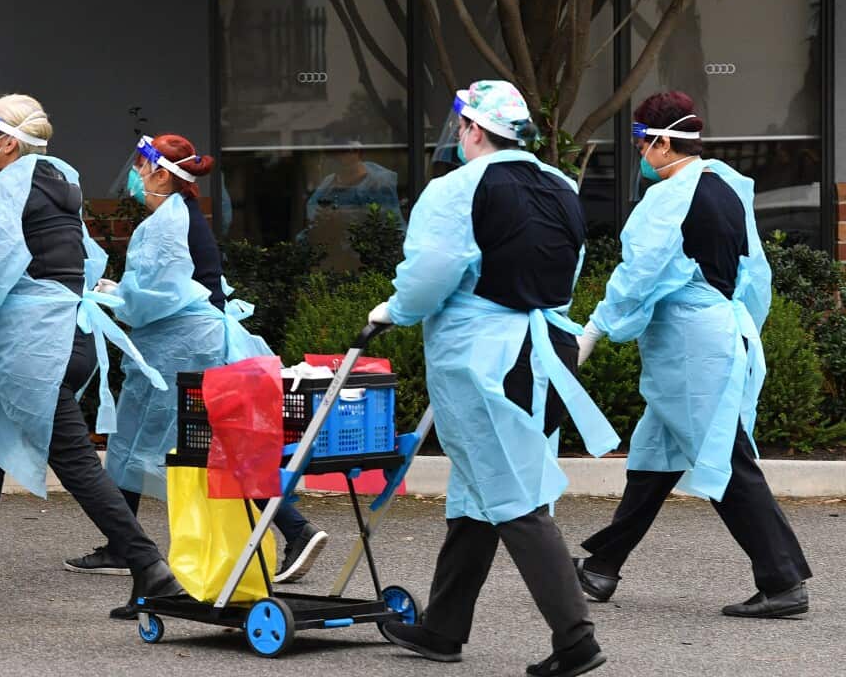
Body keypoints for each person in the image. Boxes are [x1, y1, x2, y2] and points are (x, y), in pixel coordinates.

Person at [369, 80, 618, 677]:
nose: (458, 135)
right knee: (478, 489)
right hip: (548, 350)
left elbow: (430, 274)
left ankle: (576, 640)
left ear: (474, 129)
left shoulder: (456, 188)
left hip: (486, 357)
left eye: (461, 126)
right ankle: (442, 628)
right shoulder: (560, 185)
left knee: (513, 495)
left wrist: (393, 311)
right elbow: (570, 266)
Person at [0, 93, 182, 615]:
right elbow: (81, 257)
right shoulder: (60, 179)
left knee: (75, 462)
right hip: (68, 332)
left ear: (9, 143)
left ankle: (150, 567)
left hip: (32, 348)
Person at [572, 91, 812, 618]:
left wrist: (594, 328)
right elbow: (755, 273)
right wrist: (743, 332)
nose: (639, 152)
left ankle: (783, 582)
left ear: (662, 142)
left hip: (690, 345)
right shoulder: (726, 184)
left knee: (723, 457)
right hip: (718, 332)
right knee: (653, 458)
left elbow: (637, 276)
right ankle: (601, 567)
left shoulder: (668, 199)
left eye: (641, 141)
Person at [65, 133, 330, 596]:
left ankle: (294, 527)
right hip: (195, 342)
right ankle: (124, 543)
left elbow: (155, 296)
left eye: (141, 166)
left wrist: (117, 296)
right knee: (174, 441)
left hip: (182, 347)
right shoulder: (181, 214)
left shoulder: (165, 223)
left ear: (161, 174)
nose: (135, 175)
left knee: (183, 445)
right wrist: (124, 294)